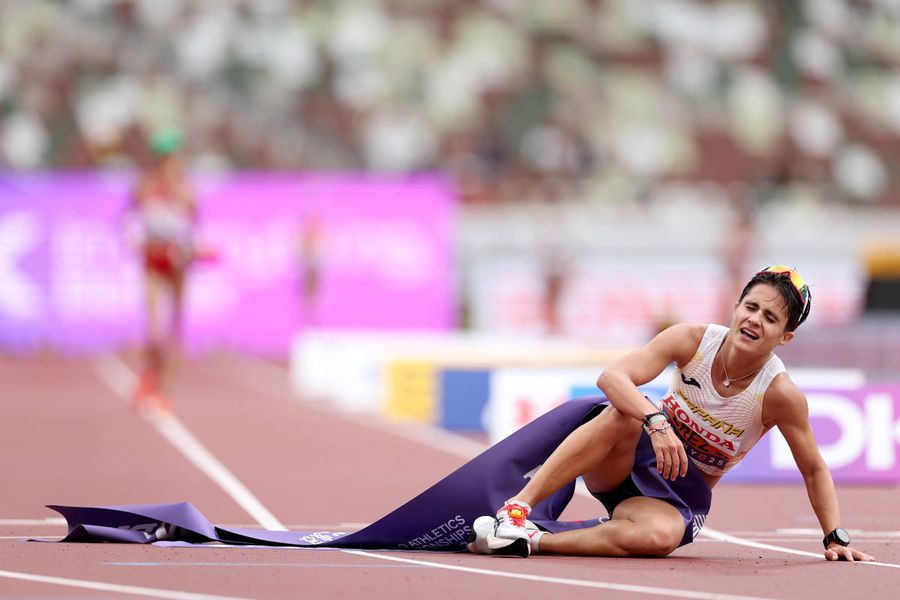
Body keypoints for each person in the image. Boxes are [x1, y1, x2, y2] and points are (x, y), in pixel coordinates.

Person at [468, 266, 875, 562]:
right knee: (622, 412)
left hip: (677, 496)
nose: (754, 320)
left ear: (785, 337)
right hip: (624, 462)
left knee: (660, 539)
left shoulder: (780, 394)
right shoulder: (691, 341)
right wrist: (656, 421)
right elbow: (613, 377)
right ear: (735, 306)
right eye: (751, 307)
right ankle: (517, 509)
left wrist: (834, 536)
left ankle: (527, 539)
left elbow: (814, 469)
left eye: (770, 318)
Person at [129, 127, 197, 414]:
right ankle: (149, 374)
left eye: (173, 156)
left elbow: (193, 219)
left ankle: (165, 386)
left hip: (177, 260)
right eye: (165, 157)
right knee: (154, 327)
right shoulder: (146, 184)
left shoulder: (185, 186)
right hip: (153, 258)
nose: (170, 161)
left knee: (175, 325)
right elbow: (132, 220)